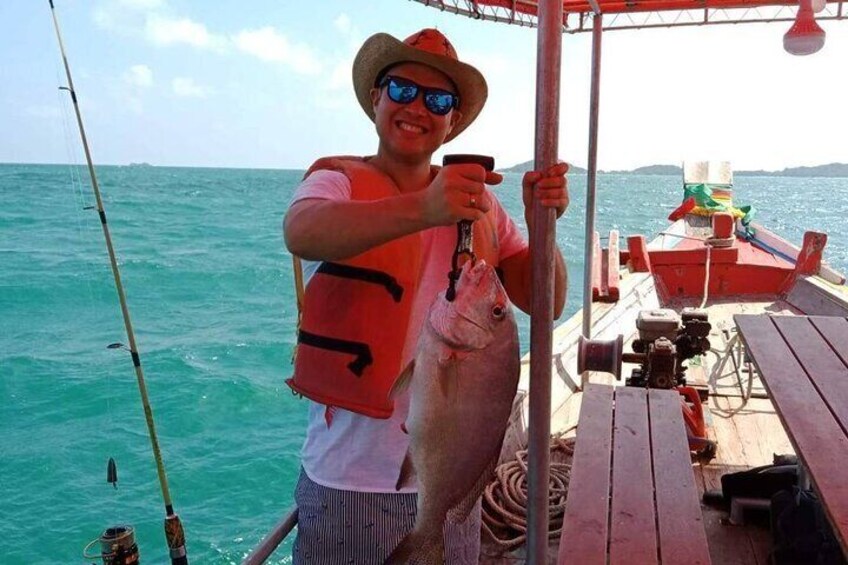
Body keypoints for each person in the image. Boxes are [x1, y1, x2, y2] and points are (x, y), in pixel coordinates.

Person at [283, 28, 568, 564]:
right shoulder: (338, 182)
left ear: (453, 121)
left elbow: (545, 302)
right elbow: (302, 231)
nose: (417, 107)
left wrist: (540, 222)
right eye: (401, 89)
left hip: (450, 490)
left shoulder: (480, 203)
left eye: (438, 100)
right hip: (350, 481)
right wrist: (426, 209)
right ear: (375, 97)